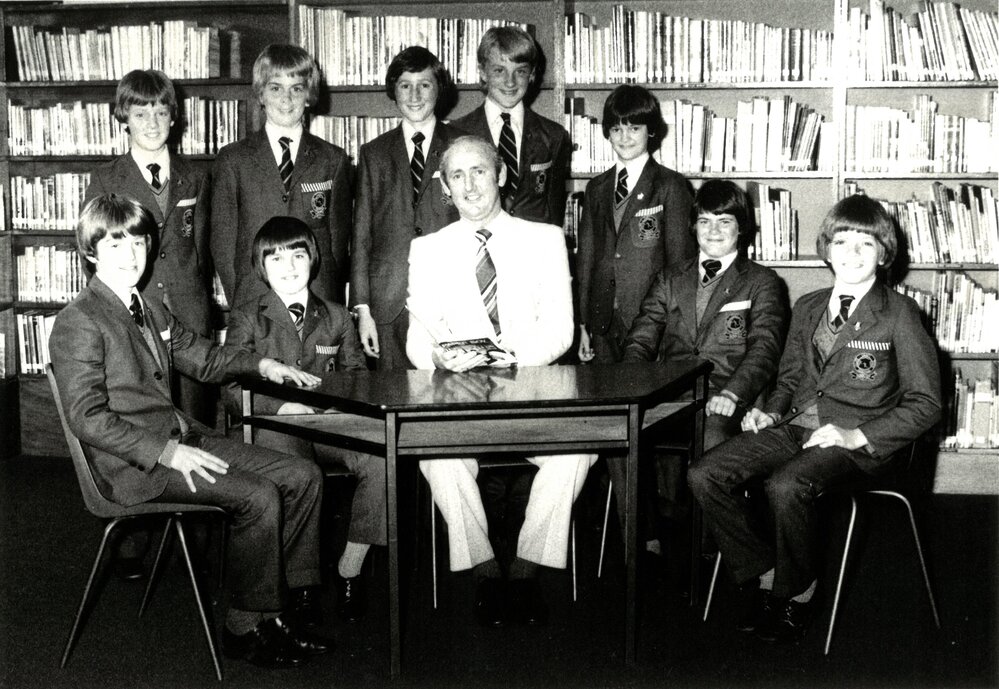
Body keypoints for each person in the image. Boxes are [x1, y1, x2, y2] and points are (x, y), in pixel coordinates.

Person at [49, 194, 334, 669]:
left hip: (181, 439)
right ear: (91, 252)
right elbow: (87, 417)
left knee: (303, 475)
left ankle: (279, 606)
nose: (131, 256)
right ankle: (246, 626)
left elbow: (205, 357)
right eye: (115, 246)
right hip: (135, 465)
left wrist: (263, 364)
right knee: (260, 495)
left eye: (138, 242)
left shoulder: (149, 307)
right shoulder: (79, 321)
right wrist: (164, 453)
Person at [687, 194, 942, 643]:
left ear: (884, 255)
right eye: (842, 243)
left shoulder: (900, 314)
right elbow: (788, 379)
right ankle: (768, 576)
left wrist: (855, 434)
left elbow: (926, 404)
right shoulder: (808, 305)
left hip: (857, 442)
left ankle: (798, 593)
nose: (852, 255)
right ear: (826, 249)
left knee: (785, 486)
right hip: (797, 426)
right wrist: (770, 411)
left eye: (865, 245)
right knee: (705, 473)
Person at [405, 135, 595, 627]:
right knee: (438, 456)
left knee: (577, 453)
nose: (470, 186)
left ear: (501, 176)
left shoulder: (546, 237)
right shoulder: (427, 249)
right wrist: (439, 357)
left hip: (532, 389)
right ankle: (486, 570)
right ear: (445, 187)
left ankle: (527, 569)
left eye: (480, 172)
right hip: (459, 396)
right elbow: (416, 338)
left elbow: (560, 330)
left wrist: (506, 360)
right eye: (457, 176)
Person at [83, 69, 215, 582]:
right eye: (141, 114)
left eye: (162, 112)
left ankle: (200, 534)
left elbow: (201, 249)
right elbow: (95, 250)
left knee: (194, 416)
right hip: (133, 317)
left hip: (188, 313)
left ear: (175, 117)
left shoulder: (194, 175)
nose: (153, 122)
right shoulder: (106, 179)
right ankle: (137, 536)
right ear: (124, 118)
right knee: (138, 417)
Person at [617, 180, 787, 564]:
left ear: (741, 228)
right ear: (692, 226)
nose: (713, 232)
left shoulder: (762, 282)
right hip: (673, 394)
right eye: (705, 222)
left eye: (724, 222)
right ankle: (645, 539)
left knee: (712, 435)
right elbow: (642, 336)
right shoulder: (670, 277)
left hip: (729, 399)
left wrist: (732, 394)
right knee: (619, 434)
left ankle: (710, 543)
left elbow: (765, 350)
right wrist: (629, 382)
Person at [224, 216, 384, 623]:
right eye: (275, 258)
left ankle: (350, 567)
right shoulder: (246, 318)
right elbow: (229, 389)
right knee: (299, 471)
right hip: (276, 427)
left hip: (329, 424)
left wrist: (338, 405)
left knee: (383, 455)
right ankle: (301, 585)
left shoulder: (335, 316)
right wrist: (279, 409)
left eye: (297, 254)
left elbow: (360, 381)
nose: (289, 266)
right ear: (261, 267)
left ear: (312, 260)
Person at [211, 44, 352, 307]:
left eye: (296, 89)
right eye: (275, 88)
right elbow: (223, 243)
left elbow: (337, 245)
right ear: (261, 94)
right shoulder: (233, 159)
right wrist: (241, 303)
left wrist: (328, 303)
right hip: (254, 301)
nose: (286, 100)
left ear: (308, 95)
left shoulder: (332, 159)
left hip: (317, 301)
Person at [350, 46, 461, 370]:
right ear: (393, 91)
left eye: (424, 84)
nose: (414, 95)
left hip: (449, 297)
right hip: (388, 302)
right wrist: (363, 309)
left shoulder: (461, 144)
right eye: (405, 85)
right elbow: (361, 236)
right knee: (391, 394)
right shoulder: (374, 153)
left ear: (439, 89)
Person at [577, 83, 696, 364]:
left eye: (634, 128)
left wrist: (675, 326)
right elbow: (586, 259)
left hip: (651, 321)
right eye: (617, 129)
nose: (625, 137)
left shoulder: (671, 185)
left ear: (651, 131)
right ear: (607, 132)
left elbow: (681, 263)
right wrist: (583, 324)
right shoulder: (596, 187)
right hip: (603, 319)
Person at [452, 26, 570, 227]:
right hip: (477, 251)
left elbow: (554, 210)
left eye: (520, 72)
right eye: (499, 70)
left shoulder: (553, 135)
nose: (510, 82)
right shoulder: (456, 133)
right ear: (482, 72)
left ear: (532, 74)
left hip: (532, 251)